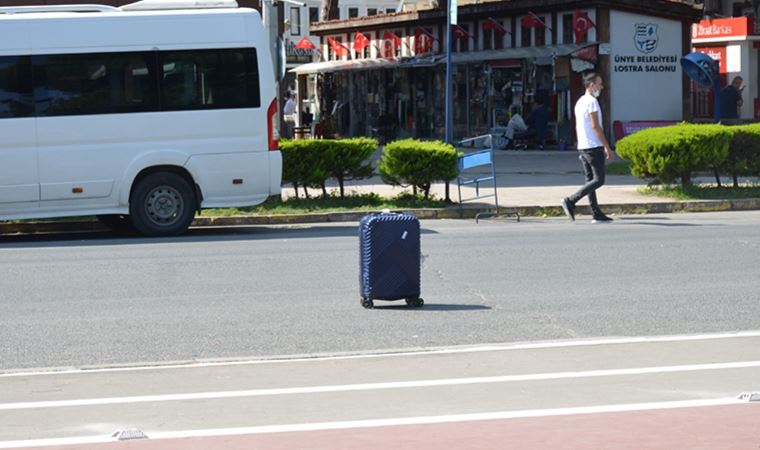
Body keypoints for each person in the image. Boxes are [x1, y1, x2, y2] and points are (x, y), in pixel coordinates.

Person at [561, 72, 613, 223]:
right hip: (593, 146)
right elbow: (595, 126)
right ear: (592, 85)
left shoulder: (580, 102)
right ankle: (570, 201)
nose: (602, 87)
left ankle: (596, 213)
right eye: (599, 83)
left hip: (583, 146)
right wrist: (607, 147)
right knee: (599, 180)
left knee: (590, 181)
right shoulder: (591, 102)